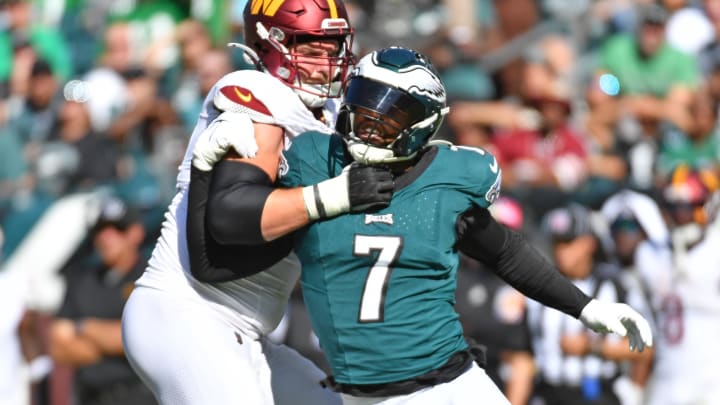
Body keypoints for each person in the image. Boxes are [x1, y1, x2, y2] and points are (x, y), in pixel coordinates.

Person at [196, 46, 652, 404]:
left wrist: (586, 307)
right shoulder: (313, 160)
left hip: (455, 386)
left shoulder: (449, 179)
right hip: (365, 397)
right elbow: (221, 244)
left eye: (390, 112)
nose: (370, 121)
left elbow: (505, 251)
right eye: (364, 102)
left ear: (421, 124)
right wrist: (204, 171)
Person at [121, 1, 393, 404]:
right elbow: (230, 221)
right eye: (313, 49)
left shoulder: (333, 113)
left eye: (333, 49)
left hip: (245, 332)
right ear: (271, 45)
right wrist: (335, 197)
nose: (327, 63)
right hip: (186, 313)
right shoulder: (260, 97)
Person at [49, 196, 156, 405]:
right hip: (91, 397)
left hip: (140, 396)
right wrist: (114, 345)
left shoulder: (152, 279)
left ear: (136, 233)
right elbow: (58, 345)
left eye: (118, 229)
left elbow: (145, 338)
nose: (107, 237)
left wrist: (82, 327)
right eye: (101, 230)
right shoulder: (82, 280)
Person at [635, 163, 720, 405]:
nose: (679, 216)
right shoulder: (650, 254)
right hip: (668, 380)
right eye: (674, 207)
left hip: (712, 382)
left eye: (687, 207)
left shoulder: (715, 250)